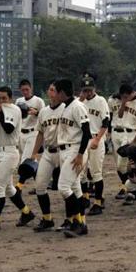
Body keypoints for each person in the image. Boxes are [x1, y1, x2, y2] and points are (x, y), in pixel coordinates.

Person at [0, 86, 36, 231]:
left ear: (10, 98)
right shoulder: (1, 111)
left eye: (4, 98)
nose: (1, 101)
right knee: (9, 188)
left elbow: (8, 128)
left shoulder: (13, 110)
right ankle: (27, 213)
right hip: (0, 153)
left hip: (9, 153)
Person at [54, 78, 92, 238]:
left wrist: (80, 155)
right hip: (66, 150)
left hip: (75, 151)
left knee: (63, 187)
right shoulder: (66, 106)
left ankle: (77, 222)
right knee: (76, 188)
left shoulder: (77, 106)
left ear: (62, 92)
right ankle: (82, 224)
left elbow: (87, 132)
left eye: (56, 91)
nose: (54, 94)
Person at [29, 82, 65, 232]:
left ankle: (73, 219)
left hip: (64, 151)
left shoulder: (67, 108)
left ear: (59, 93)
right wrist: (33, 153)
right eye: (49, 89)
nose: (49, 92)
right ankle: (47, 219)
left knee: (67, 188)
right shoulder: (43, 112)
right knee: (40, 186)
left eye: (52, 89)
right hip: (48, 152)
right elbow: (41, 133)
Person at [110, 84, 136, 200]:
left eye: (126, 96)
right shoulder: (125, 101)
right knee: (120, 166)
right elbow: (120, 115)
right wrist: (123, 103)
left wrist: (135, 141)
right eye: (122, 96)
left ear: (132, 92)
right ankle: (132, 188)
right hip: (125, 135)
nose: (124, 97)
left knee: (135, 164)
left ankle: (134, 193)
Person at [78, 75, 110, 216]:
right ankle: (85, 198)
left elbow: (106, 121)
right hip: (83, 140)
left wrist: (98, 139)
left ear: (94, 88)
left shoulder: (101, 100)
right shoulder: (79, 103)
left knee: (96, 172)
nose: (88, 93)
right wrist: (80, 99)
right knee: (81, 172)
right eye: (85, 90)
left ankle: (97, 202)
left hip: (96, 137)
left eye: (90, 90)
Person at [14, 79, 45, 192]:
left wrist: (36, 112)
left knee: (26, 160)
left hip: (34, 133)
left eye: (27, 89)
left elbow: (44, 116)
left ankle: (19, 186)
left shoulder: (38, 101)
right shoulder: (19, 101)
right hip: (21, 133)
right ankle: (40, 186)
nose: (25, 92)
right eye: (23, 90)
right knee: (32, 162)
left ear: (31, 88)